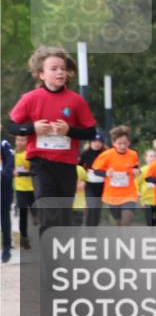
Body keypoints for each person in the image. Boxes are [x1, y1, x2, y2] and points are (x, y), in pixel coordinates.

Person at [7, 46, 97, 235]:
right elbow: (12, 126)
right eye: (54, 69)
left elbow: (90, 132)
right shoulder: (30, 98)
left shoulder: (76, 101)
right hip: (41, 164)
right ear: (41, 74)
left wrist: (69, 130)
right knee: (49, 207)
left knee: (63, 216)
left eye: (63, 68)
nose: (60, 72)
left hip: (66, 165)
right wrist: (33, 128)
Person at [91, 126, 141, 227]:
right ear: (114, 143)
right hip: (112, 195)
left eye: (125, 143)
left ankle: (125, 240)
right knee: (119, 223)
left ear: (129, 143)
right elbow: (95, 171)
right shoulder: (106, 155)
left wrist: (137, 171)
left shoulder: (133, 154)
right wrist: (106, 173)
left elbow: (135, 167)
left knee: (126, 222)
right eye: (119, 143)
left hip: (129, 194)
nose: (122, 146)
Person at [80, 129, 110, 226]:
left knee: (97, 209)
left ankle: (93, 230)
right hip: (89, 184)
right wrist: (81, 180)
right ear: (90, 142)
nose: (97, 144)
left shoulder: (106, 154)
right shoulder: (85, 153)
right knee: (91, 206)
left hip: (102, 185)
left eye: (99, 141)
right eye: (94, 141)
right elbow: (79, 168)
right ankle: (89, 231)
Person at [13, 135, 36, 249]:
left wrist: (20, 173)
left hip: (32, 189)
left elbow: (34, 172)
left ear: (27, 142)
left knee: (36, 214)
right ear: (15, 141)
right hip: (20, 188)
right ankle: (24, 238)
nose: (20, 142)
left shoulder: (29, 154)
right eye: (18, 140)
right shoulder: (12, 154)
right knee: (23, 213)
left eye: (23, 140)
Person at [1, 137, 13, 263]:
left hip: (3, 187)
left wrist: (4, 175)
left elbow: (10, 163)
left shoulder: (4, 144)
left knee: (4, 217)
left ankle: (6, 249)